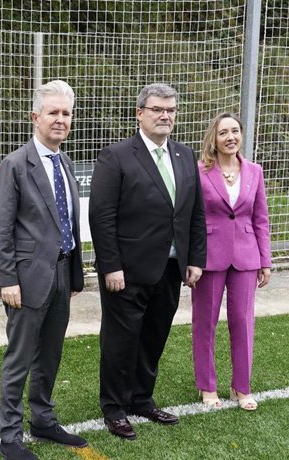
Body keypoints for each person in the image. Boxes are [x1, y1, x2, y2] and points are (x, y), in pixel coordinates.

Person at [88, 83, 207, 440]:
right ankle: (113, 407)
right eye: (157, 109)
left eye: (170, 110)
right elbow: (101, 216)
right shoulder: (117, 155)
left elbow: (195, 215)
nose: (165, 116)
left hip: (171, 268)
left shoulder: (185, 156)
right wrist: (110, 266)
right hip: (126, 271)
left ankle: (141, 398)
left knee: (154, 337)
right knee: (120, 341)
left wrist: (194, 259)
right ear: (140, 113)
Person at [0, 80, 88, 460]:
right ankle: (10, 437)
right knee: (20, 357)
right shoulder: (15, 164)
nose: (60, 120)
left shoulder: (64, 162)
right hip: (27, 280)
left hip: (62, 275)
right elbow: (1, 227)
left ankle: (43, 420)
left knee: (50, 354)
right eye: (53, 112)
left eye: (66, 113)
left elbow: (69, 223)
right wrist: (8, 279)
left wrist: (74, 273)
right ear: (36, 117)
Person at [191, 112, 271, 411]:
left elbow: (261, 219)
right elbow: (192, 219)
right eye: (223, 132)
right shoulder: (199, 171)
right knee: (205, 324)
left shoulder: (254, 171)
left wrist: (266, 260)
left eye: (235, 131)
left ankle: (241, 387)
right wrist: (192, 260)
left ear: (241, 134)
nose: (230, 137)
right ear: (214, 137)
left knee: (243, 322)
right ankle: (207, 387)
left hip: (247, 258)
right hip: (208, 258)